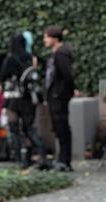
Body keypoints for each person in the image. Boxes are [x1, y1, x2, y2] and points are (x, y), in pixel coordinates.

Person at [0, 31, 46, 168]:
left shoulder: (10, 59)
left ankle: (19, 159)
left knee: (14, 129)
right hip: (28, 100)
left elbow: (3, 76)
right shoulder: (31, 58)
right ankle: (40, 155)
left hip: (13, 100)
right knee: (29, 129)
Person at [43, 25, 76, 171]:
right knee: (59, 127)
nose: (44, 40)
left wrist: (61, 92)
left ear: (54, 38)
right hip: (55, 95)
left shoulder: (61, 53)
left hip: (59, 96)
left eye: (46, 37)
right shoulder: (56, 53)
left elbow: (66, 75)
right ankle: (62, 159)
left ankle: (64, 160)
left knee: (62, 127)